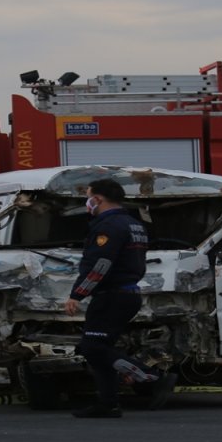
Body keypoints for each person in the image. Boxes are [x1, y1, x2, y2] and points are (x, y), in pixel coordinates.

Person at [64, 179, 176, 419]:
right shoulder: (133, 223)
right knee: (101, 350)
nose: (87, 201)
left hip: (112, 296)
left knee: (92, 347)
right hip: (127, 294)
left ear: (98, 199)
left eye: (88, 195)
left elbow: (100, 265)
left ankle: (151, 378)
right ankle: (108, 403)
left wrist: (77, 294)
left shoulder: (109, 226)